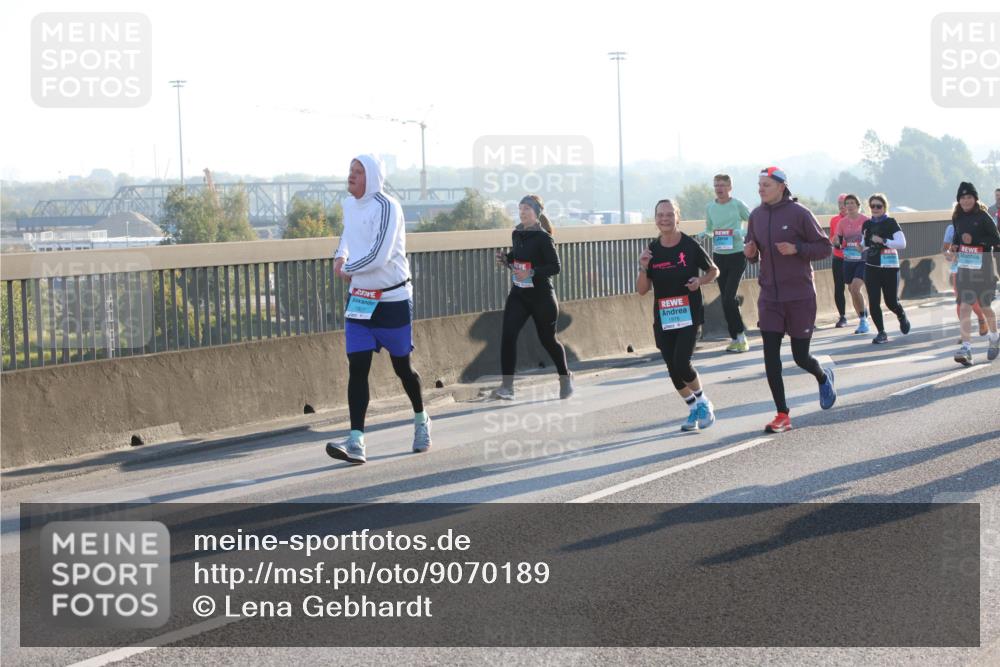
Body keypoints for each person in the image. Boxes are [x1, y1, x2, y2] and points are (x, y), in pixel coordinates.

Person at [326, 154, 431, 465]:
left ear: (371, 177)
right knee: (357, 367)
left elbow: (380, 255)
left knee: (403, 369)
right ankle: (356, 441)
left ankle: (421, 419)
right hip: (360, 299)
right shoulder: (349, 205)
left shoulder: (387, 207)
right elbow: (349, 234)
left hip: (391, 299)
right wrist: (339, 255)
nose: (351, 176)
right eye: (350, 170)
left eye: (358, 172)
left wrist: (349, 269)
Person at [744, 167, 836, 433]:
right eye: (759, 185)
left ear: (782, 187)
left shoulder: (800, 214)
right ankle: (782, 414)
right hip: (770, 297)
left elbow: (825, 248)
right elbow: (752, 252)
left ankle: (822, 375)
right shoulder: (756, 216)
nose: (761, 189)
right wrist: (749, 254)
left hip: (799, 295)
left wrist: (797, 249)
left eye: (766, 185)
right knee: (770, 357)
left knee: (800, 356)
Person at [638, 199, 720, 431]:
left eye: (669, 214)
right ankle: (693, 407)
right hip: (664, 315)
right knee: (672, 368)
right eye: (660, 215)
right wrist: (644, 267)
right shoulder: (652, 250)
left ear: (677, 217)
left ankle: (703, 402)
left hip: (689, 313)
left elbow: (714, 270)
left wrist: (699, 281)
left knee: (682, 362)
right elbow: (642, 290)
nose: (664, 219)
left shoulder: (689, 245)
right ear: (655, 218)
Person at [492, 194, 572, 399]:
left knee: (548, 340)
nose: (522, 212)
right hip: (519, 294)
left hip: (542, 297)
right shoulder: (517, 233)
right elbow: (518, 257)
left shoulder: (544, 238)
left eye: (527, 209)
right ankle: (507, 387)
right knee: (508, 336)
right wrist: (505, 258)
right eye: (520, 209)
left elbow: (555, 267)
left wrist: (532, 272)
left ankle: (565, 377)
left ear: (537, 213)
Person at [949, 182, 1000, 366]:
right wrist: (955, 247)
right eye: (962, 198)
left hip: (983, 268)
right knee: (964, 306)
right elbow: (957, 238)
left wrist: (976, 241)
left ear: (975, 199)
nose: (966, 200)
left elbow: (996, 239)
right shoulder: (958, 217)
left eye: (969, 197)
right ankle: (967, 348)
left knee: (985, 306)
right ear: (959, 200)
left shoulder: (983, 216)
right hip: (965, 268)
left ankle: (994, 337)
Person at [703, 174, 751, 352]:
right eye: (716, 185)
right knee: (726, 300)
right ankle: (735, 338)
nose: (719, 188)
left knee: (729, 297)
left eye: (723, 185)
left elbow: (753, 221)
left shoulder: (737, 204)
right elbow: (709, 230)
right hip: (719, 257)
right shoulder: (710, 207)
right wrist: (703, 234)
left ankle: (741, 338)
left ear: (730, 186)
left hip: (737, 255)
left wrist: (741, 232)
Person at [861, 193, 911, 344]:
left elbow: (902, 244)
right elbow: (865, 243)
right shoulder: (867, 225)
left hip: (889, 267)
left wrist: (884, 240)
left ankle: (901, 315)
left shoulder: (890, 223)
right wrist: (860, 247)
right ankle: (881, 332)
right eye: (872, 206)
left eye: (878, 206)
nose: (875, 209)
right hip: (871, 267)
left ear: (884, 207)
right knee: (874, 301)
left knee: (891, 302)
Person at [831, 194, 871, 334]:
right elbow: (839, 243)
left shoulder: (866, 220)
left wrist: (864, 245)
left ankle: (863, 320)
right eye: (847, 203)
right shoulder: (841, 223)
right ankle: (863, 314)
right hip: (848, 260)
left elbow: (871, 240)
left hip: (863, 260)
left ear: (858, 205)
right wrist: (836, 242)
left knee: (855, 288)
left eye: (852, 203)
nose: (849, 205)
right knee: (852, 290)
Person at [942, 222, 988, 339]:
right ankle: (965, 334)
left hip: (976, 267)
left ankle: (981, 319)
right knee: (960, 301)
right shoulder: (952, 228)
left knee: (974, 299)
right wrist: (949, 255)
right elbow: (945, 249)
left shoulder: (980, 224)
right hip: (958, 268)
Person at [828, 194, 849, 328]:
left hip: (853, 258)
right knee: (839, 288)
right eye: (839, 203)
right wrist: (834, 241)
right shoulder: (834, 220)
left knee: (854, 288)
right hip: (838, 257)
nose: (841, 206)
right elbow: (831, 237)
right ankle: (842, 316)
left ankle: (862, 315)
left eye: (844, 203)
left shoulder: (857, 219)